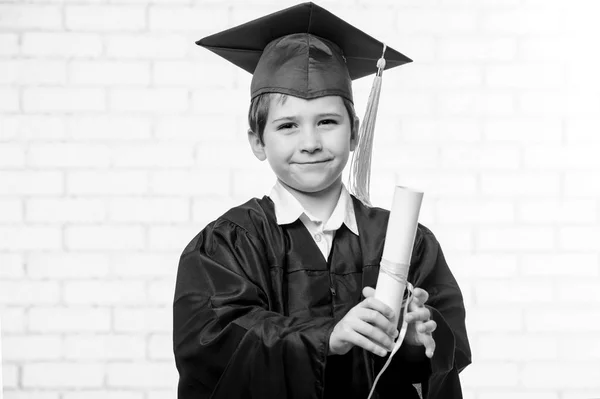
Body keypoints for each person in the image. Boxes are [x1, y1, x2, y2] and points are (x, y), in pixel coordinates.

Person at [173, 3, 471, 399]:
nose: (310, 143)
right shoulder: (229, 243)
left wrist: (416, 343)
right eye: (288, 126)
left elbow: (441, 360)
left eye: (327, 121)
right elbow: (214, 345)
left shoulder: (405, 241)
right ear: (258, 142)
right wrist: (327, 337)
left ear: (354, 133)